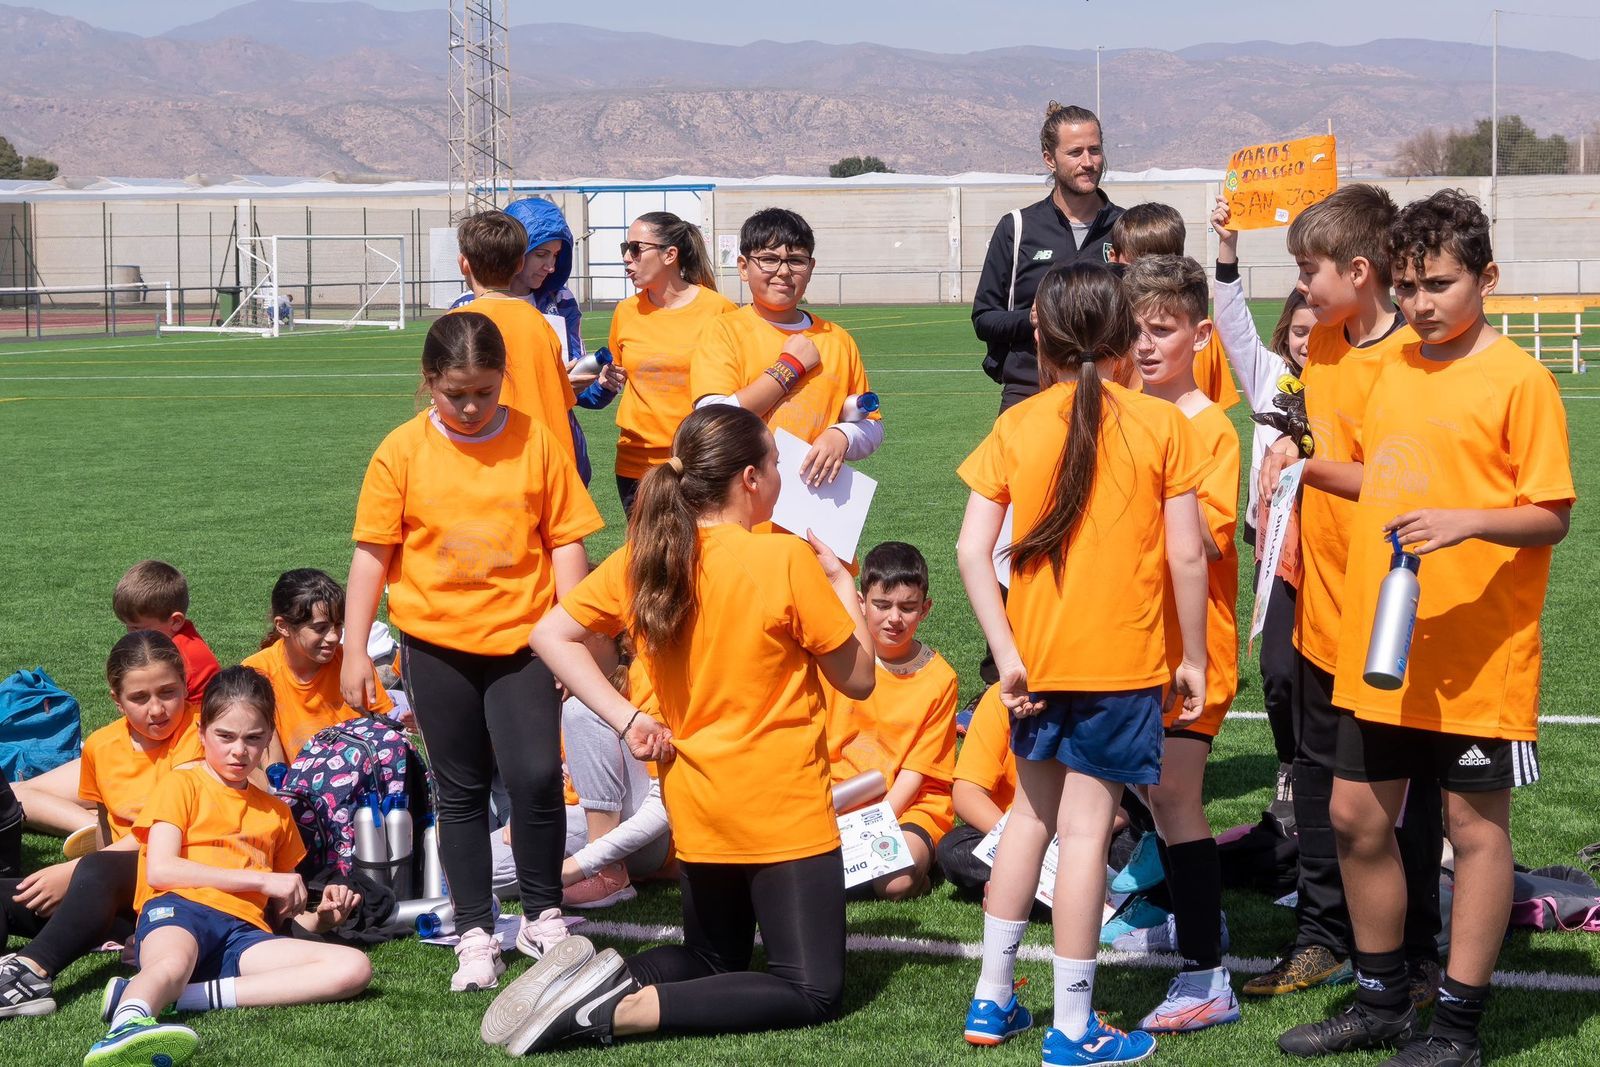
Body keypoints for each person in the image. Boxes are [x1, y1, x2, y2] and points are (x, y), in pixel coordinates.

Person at [1279, 191, 1574, 1067]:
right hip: (1385, 646)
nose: (1420, 304)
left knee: (1474, 829)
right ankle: (1378, 1000)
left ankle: (1456, 1026)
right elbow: (1378, 473)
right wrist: (1298, 466)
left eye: (1439, 284)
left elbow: (1550, 513)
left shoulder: (1521, 379)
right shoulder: (1395, 366)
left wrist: (1467, 521)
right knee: (1352, 816)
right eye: (1407, 286)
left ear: (1486, 278)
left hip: (1479, 653)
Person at [486, 404, 874, 1055]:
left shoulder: (649, 556)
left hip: (697, 808)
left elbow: (549, 634)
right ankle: (618, 1010)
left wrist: (627, 717)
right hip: (780, 810)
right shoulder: (782, 559)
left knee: (711, 956)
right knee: (812, 989)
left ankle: (592, 979)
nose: (782, 476)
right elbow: (859, 677)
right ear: (750, 478)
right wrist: (840, 579)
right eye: (776, 464)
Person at [954, 261, 1210, 1065]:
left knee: (1031, 820)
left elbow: (969, 549)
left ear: (1040, 336)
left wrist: (1007, 654)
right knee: (1085, 828)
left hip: (1035, 665)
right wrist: (1195, 654)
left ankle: (993, 1000)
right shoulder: (1164, 425)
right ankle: (1073, 1026)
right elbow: (1189, 557)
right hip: (1120, 664)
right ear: (1126, 335)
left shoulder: (1017, 424)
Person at [341, 311, 603, 992]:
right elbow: (372, 554)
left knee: (538, 776)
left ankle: (546, 916)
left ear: (500, 382)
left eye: (484, 392)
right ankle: (477, 931)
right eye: (454, 391)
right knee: (458, 790)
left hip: (525, 641)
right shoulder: (400, 450)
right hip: (435, 644)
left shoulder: (536, 440)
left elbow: (566, 539)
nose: (469, 405)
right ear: (429, 381)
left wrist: (572, 630)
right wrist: (353, 649)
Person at [1245, 185, 1444, 1007]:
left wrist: (1307, 464)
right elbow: (1315, 430)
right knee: (1318, 780)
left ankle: (1421, 950)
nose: (1300, 285)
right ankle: (1322, 938)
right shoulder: (1322, 342)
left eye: (1308, 268)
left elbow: (1399, 484)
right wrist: (1291, 434)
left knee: (1407, 794)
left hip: (1391, 617)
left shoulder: (1410, 357)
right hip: (1321, 600)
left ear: (1359, 270)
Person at [83, 666, 371, 1067]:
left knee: (353, 968)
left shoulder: (276, 813)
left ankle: (178, 997)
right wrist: (263, 879)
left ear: (269, 737)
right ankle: (127, 1025)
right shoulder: (181, 784)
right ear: (202, 733)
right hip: (179, 910)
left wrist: (321, 920)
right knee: (172, 962)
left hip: (243, 936)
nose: (240, 751)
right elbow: (161, 870)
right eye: (226, 736)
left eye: (254, 739)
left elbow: (279, 920)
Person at [1112, 254, 1241, 1033]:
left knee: (1178, 800)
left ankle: (1206, 975)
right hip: (1130, 647)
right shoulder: (1126, 412)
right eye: (1135, 330)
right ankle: (1197, 925)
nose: (1147, 344)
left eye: (1163, 329)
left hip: (1195, 654)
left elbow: (1211, 541)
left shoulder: (1209, 426)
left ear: (1199, 334)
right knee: (1157, 801)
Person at [0, 632, 202, 1019]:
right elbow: (107, 828)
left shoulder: (202, 735)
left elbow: (161, 834)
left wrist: (76, 873)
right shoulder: (100, 746)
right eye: (139, 698)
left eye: (168, 692)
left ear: (186, 686)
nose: (157, 709)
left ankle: (31, 973)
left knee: (95, 867)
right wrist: (85, 887)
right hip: (114, 890)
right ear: (116, 699)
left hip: (179, 884)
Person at [1210, 195, 1317, 823]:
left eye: (1315, 331)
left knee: (1324, 666)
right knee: (1277, 669)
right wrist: (1228, 247)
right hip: (1275, 542)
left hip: (1338, 540)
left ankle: (1326, 770)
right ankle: (1289, 759)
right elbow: (1230, 318)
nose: (1307, 341)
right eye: (1298, 331)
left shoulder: (1352, 373)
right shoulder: (1270, 375)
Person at [15, 563, 221, 840]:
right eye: (129, 628)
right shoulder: (185, 645)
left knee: (18, 795)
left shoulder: (181, 661)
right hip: (145, 753)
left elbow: (156, 722)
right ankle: (101, 824)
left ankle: (102, 829)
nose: (131, 635)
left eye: (137, 628)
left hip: (153, 759)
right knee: (20, 793)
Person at [690, 208, 881, 489]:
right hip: (741, 501)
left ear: (811, 267)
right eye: (768, 260)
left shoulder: (836, 339)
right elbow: (713, 420)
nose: (783, 271)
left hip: (816, 502)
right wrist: (789, 367)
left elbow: (873, 425)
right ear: (744, 267)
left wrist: (843, 435)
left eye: (796, 261)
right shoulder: (723, 331)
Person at [824, 541, 958, 901]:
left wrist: (872, 824)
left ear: (925, 609)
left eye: (907, 607)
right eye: (882, 605)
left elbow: (916, 772)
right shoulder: (839, 658)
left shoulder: (939, 677)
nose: (894, 618)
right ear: (861, 602)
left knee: (895, 881)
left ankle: (921, 867)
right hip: (838, 796)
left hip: (909, 804)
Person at [972, 102, 1123, 414]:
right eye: (1075, 152)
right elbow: (984, 319)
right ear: (1049, 159)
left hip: (1111, 391)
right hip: (1030, 392)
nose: (1088, 162)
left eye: (1095, 150)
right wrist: (1033, 318)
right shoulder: (1017, 227)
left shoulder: (1126, 227)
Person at [609, 211, 736, 512]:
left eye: (636, 248)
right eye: (624, 248)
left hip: (697, 462)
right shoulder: (625, 312)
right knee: (648, 558)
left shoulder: (719, 310)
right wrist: (602, 381)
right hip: (636, 466)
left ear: (670, 255)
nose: (628, 257)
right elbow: (614, 379)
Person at [446, 211, 579, 463]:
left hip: (489, 455)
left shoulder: (455, 322)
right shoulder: (540, 322)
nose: (550, 264)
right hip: (548, 456)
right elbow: (564, 397)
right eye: (542, 254)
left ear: (463, 263)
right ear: (519, 264)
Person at [241, 568, 393, 768]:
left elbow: (386, 736)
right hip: (293, 788)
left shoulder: (352, 663)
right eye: (320, 628)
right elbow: (265, 760)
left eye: (338, 625)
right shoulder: (257, 673)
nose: (333, 637)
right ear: (283, 626)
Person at [1106, 201, 1243, 410]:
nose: (1150, 278)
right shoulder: (1109, 333)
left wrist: (1228, 245)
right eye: (1137, 267)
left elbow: (1215, 411)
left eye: (1161, 330)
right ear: (1112, 258)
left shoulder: (1201, 334)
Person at [934, 684, 1016, 899]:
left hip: (1079, 837)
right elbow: (967, 792)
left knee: (1113, 856)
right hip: (1006, 828)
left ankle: (1021, 889)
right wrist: (1023, 842)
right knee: (955, 850)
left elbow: (1115, 812)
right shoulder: (1002, 696)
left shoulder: (1104, 696)